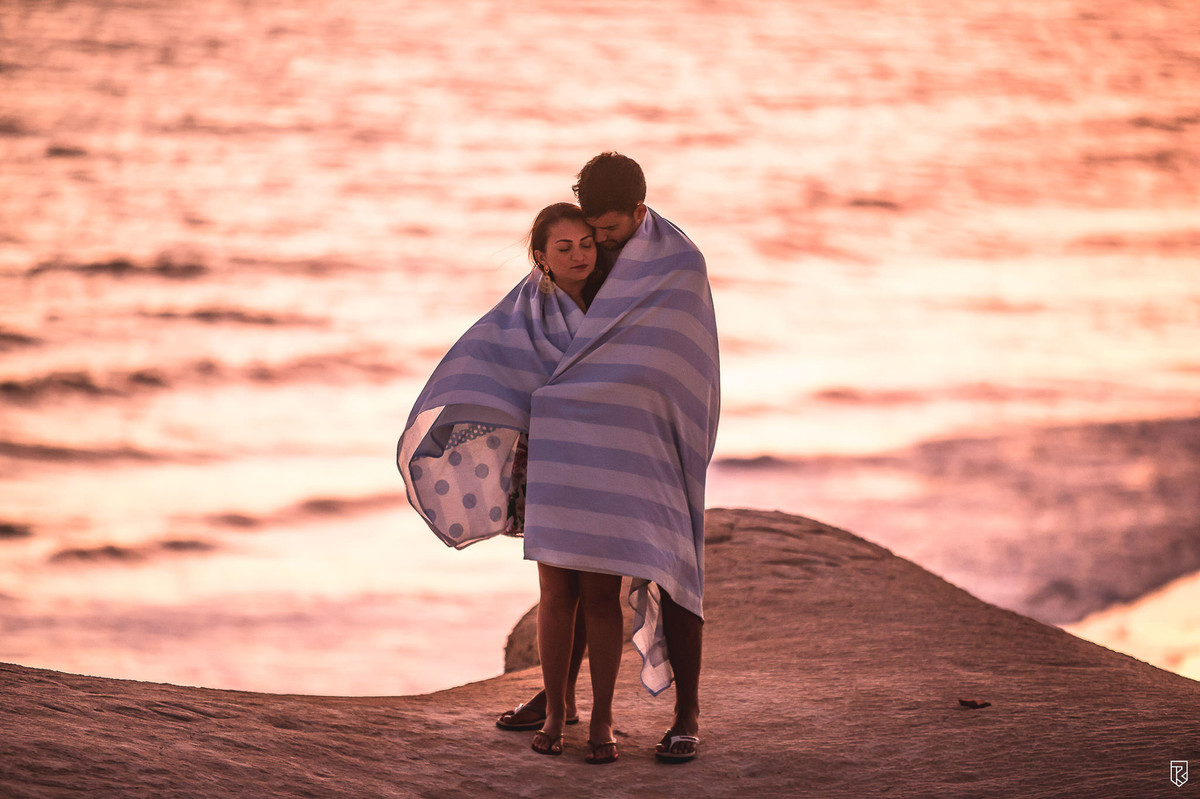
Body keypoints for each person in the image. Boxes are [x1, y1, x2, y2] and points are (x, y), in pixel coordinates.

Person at [397, 156, 719, 766]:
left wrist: (609, 396)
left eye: (610, 231)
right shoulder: (575, 261)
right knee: (570, 575)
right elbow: (513, 338)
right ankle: (558, 698)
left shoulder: (678, 265)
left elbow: (681, 360)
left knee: (675, 566)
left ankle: (687, 714)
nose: (597, 244)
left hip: (655, 437)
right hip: (576, 449)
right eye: (589, 232)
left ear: (640, 213)